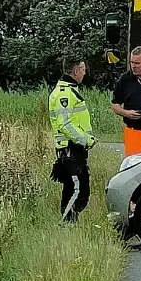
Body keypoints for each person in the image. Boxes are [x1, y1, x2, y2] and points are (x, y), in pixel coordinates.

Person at [49, 57, 97, 223]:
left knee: (78, 190)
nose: (85, 73)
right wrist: (86, 140)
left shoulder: (70, 90)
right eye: (83, 69)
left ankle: (70, 223)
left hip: (75, 149)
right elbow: (65, 124)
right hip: (70, 149)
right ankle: (66, 224)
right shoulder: (64, 94)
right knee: (77, 191)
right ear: (76, 71)